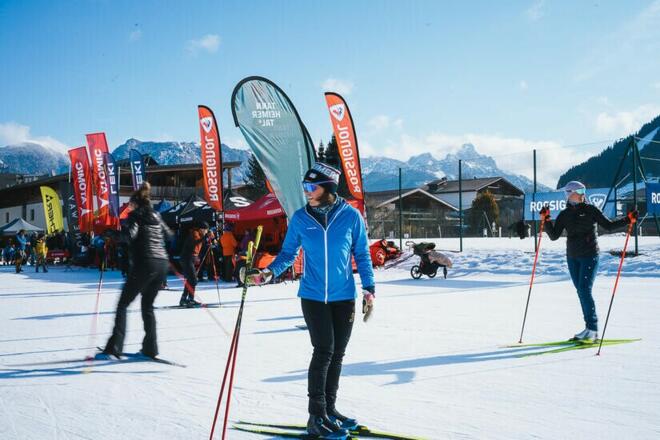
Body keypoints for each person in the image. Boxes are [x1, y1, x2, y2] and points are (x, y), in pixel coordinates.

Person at [243, 163, 375, 438]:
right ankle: (316, 416)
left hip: (344, 296)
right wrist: (268, 272)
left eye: (311, 187)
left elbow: (362, 254)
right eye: (304, 186)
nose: (306, 191)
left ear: (328, 188)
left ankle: (329, 409)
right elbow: (288, 254)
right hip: (313, 296)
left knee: (337, 354)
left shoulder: (350, 216)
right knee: (324, 350)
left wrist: (369, 288)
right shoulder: (301, 218)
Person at [541, 181, 637, 342]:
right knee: (581, 291)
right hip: (572, 257)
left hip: (590, 255)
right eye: (579, 191)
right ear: (569, 194)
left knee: (584, 289)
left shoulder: (591, 209)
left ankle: (593, 329)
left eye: (584, 190)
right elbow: (554, 236)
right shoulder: (565, 214)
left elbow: (609, 226)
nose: (582, 194)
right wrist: (546, 219)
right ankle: (588, 328)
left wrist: (628, 219)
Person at [103, 182, 172, 359]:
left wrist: (111, 234)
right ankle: (150, 348)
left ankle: (114, 347)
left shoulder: (135, 215)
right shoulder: (157, 215)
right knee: (147, 305)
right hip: (162, 264)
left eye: (131, 204)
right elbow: (170, 235)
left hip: (145, 263)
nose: (130, 207)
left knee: (123, 304)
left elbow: (129, 235)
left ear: (135, 203)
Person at [178, 221, 208, 307]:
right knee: (193, 280)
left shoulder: (200, 235)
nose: (206, 232)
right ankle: (189, 299)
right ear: (201, 229)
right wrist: (205, 237)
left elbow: (200, 244)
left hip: (189, 259)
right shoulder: (195, 233)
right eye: (205, 230)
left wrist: (209, 240)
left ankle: (185, 299)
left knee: (190, 280)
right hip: (187, 258)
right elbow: (195, 243)